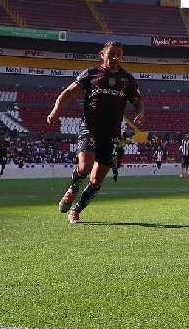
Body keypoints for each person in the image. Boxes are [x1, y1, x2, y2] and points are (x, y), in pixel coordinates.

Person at [49, 41, 144, 224]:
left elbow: (137, 100)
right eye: (111, 54)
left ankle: (76, 211)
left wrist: (140, 112)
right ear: (102, 54)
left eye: (119, 54)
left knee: (96, 181)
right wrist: (55, 111)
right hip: (90, 127)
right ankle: (72, 189)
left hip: (112, 134)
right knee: (84, 166)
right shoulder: (90, 73)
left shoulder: (128, 79)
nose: (115, 57)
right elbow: (68, 92)